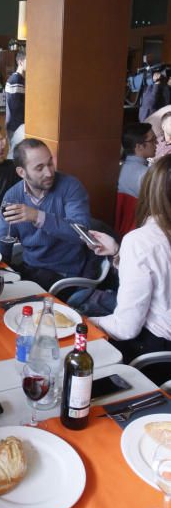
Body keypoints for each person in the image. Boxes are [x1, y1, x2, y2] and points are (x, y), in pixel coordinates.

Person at [89, 155, 171, 364]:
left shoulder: (142, 241)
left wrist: (83, 322)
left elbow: (126, 328)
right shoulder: (141, 243)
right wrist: (118, 252)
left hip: (155, 355)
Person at [0, 138, 99, 290]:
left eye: (50, 163)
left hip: (65, 274)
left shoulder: (70, 187)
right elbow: (3, 240)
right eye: (39, 168)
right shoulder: (12, 196)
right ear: (21, 172)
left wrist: (37, 216)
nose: (49, 172)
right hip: (31, 268)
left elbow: (82, 233)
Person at [119, 123, 156, 198]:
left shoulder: (118, 170)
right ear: (139, 146)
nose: (157, 142)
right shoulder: (147, 174)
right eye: (153, 140)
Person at [5, 48, 26, 149]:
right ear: (20, 62)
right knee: (15, 155)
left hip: (16, 125)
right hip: (16, 126)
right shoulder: (16, 79)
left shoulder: (20, 79)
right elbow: (15, 107)